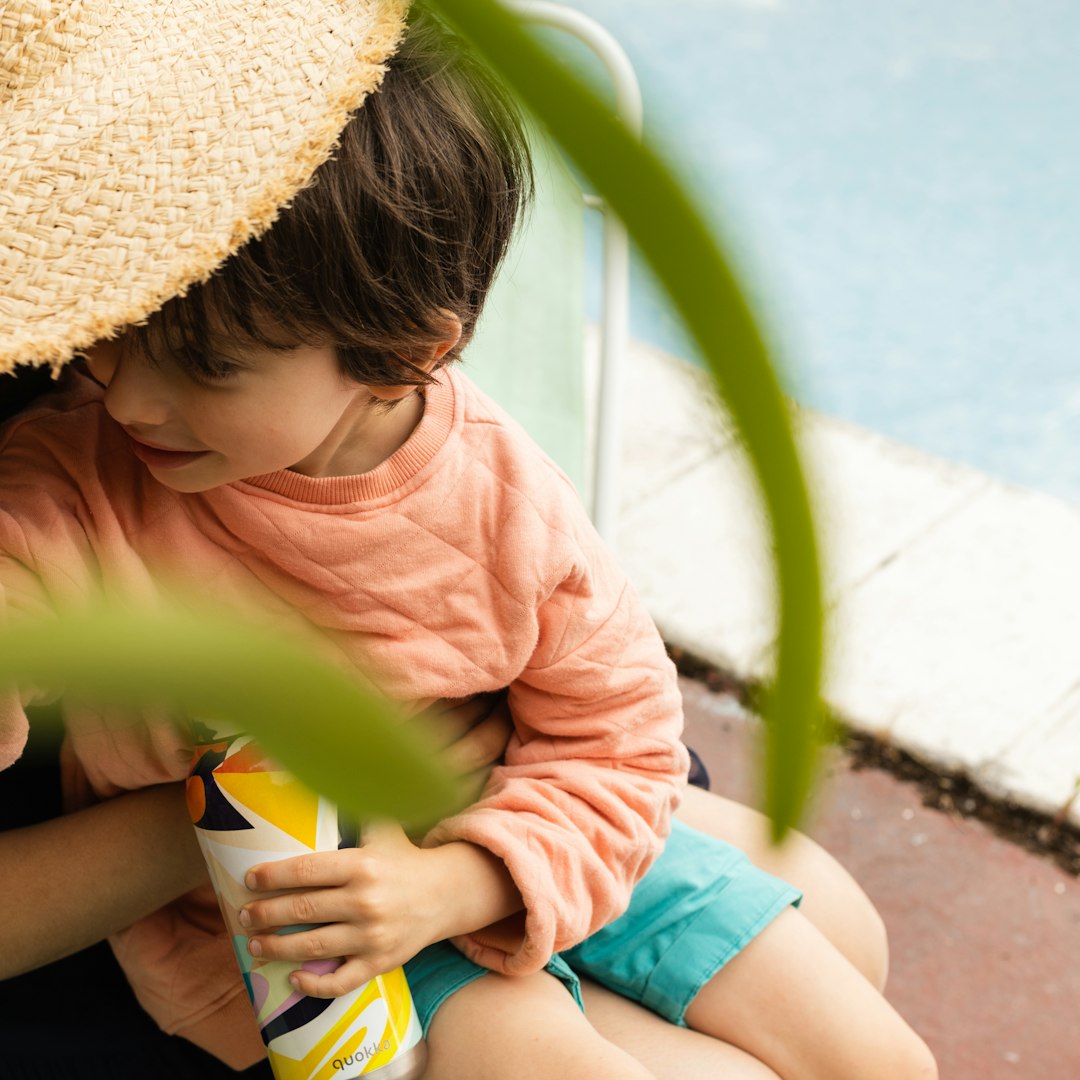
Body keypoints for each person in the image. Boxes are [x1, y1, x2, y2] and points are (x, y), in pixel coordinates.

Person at [0, 2, 937, 1077]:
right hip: (304, 927)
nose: (128, 399)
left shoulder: (502, 502)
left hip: (520, 838)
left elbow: (620, 747)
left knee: (880, 1056)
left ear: (402, 354)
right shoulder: (81, 467)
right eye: (123, 330)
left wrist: (459, 883)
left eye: (204, 365)